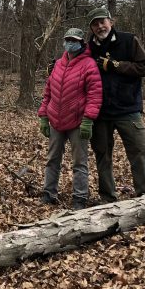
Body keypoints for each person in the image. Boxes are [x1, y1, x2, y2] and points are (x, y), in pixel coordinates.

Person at [86, 6, 145, 202]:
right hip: (100, 112)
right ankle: (108, 197)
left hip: (128, 109)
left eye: (102, 21)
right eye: (95, 24)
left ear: (110, 22)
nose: (100, 26)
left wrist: (116, 65)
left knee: (139, 151)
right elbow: (73, 66)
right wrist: (57, 67)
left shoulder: (128, 40)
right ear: (91, 28)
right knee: (102, 155)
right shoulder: (88, 48)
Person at [37, 28, 102, 208]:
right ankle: (49, 193)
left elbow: (95, 95)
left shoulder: (89, 65)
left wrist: (88, 119)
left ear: (81, 43)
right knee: (52, 160)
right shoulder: (58, 64)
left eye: (74, 40)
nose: (70, 43)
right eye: (68, 40)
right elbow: (48, 91)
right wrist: (43, 115)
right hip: (56, 121)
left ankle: (79, 198)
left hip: (77, 122)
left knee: (79, 163)